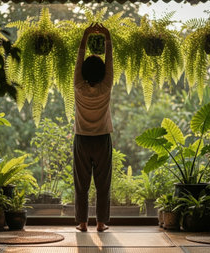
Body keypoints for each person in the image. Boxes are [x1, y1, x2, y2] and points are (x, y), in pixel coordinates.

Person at [73, 23, 113, 232]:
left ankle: (82, 223)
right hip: (102, 138)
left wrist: (85, 34)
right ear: (103, 73)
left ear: (83, 72)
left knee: (82, 183)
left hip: (81, 138)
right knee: (102, 183)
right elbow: (110, 62)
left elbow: (79, 59)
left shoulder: (78, 87)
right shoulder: (106, 87)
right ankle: (100, 223)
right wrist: (107, 37)